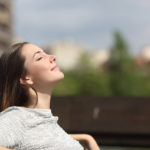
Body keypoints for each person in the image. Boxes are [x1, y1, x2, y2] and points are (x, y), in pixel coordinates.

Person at [0, 42, 100, 150]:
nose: (52, 57)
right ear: (26, 78)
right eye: (39, 58)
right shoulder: (17, 118)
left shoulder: (47, 122)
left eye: (46, 53)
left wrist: (87, 139)